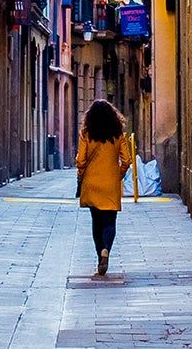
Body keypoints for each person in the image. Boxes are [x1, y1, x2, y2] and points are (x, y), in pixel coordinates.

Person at [76, 98, 135, 276]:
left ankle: (99, 255)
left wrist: (80, 175)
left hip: (92, 183)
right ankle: (106, 251)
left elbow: (81, 160)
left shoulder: (86, 133)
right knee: (110, 220)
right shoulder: (118, 134)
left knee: (96, 221)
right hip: (110, 183)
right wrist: (118, 175)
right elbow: (127, 159)